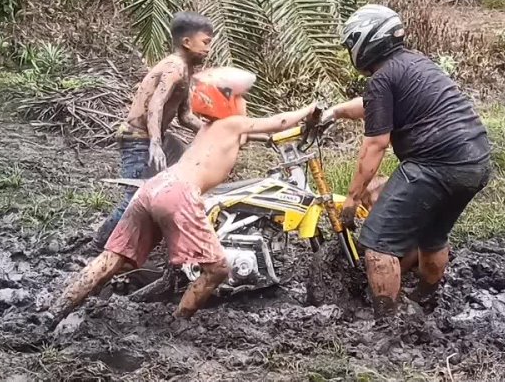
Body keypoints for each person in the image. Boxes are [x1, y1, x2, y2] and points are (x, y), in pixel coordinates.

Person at [49, 69, 320, 326]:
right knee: (217, 269)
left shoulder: (210, 127)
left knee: (111, 259)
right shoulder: (233, 124)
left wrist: (281, 137)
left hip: (154, 186)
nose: (244, 102)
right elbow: (279, 122)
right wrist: (310, 110)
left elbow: (262, 135)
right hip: (180, 192)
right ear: (228, 101)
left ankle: (55, 311)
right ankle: (180, 323)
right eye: (240, 97)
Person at [324, 4, 493, 319]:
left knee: (378, 244)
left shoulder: (382, 78)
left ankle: (387, 323)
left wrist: (352, 200)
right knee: (432, 236)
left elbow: (375, 145)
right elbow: (369, 105)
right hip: (476, 163)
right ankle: (425, 298)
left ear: (366, 42)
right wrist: (333, 113)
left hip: (436, 165)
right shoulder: (414, 64)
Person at [92, 12, 212, 250]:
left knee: (176, 183)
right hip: (138, 138)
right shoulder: (175, 67)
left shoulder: (187, 71)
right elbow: (155, 104)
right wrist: (155, 143)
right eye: (205, 42)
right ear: (187, 42)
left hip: (155, 138)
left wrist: (215, 130)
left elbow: (185, 116)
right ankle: (99, 245)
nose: (209, 48)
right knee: (134, 199)